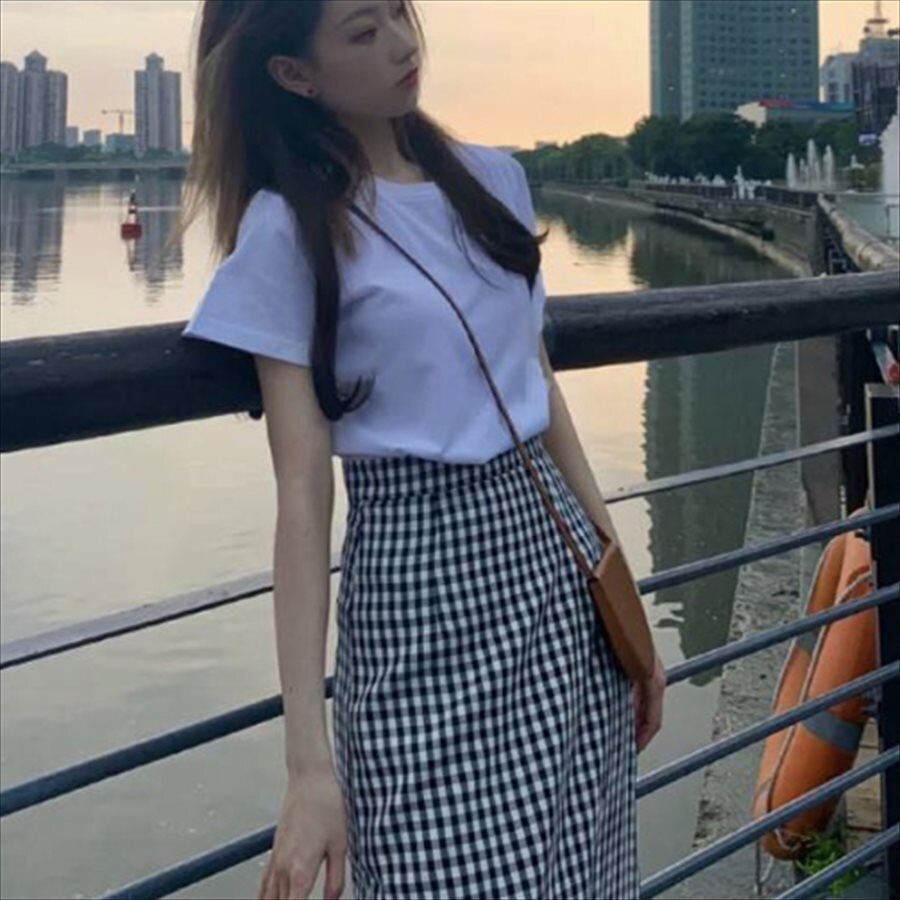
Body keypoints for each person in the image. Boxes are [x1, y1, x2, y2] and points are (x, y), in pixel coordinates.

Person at [176, 2, 666, 898]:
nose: (404, 45)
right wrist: (308, 765)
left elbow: (540, 394)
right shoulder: (291, 229)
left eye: (399, 12)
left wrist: (620, 595)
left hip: (555, 576)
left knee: (582, 874)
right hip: (418, 588)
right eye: (363, 33)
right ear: (295, 75)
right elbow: (301, 493)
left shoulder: (492, 181)